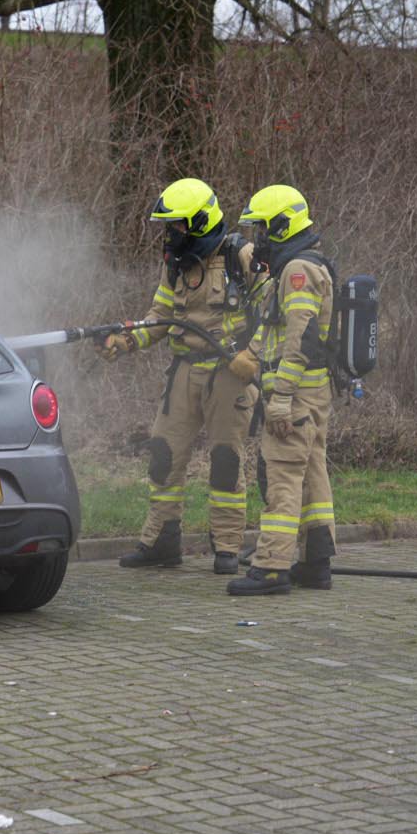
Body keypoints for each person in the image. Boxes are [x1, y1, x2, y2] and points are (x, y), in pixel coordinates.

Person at [101, 178, 265, 575]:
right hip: (184, 372)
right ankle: (161, 541)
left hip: (229, 374)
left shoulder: (240, 256)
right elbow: (160, 316)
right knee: (163, 455)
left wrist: (253, 357)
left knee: (225, 459)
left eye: (177, 226)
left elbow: (273, 316)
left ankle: (226, 548)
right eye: (168, 226)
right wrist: (128, 341)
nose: (170, 234)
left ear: (201, 222)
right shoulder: (175, 263)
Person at [227, 184, 337, 596]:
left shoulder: (297, 272)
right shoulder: (297, 268)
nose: (257, 242)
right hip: (311, 394)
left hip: (296, 397)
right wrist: (249, 356)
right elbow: (274, 332)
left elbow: (301, 339)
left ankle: (272, 567)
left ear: (280, 227)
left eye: (262, 231)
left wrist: (282, 397)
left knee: (284, 476)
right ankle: (316, 563)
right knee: (312, 474)